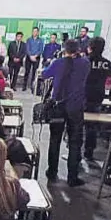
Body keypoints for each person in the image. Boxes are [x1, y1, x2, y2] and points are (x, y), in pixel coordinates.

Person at [42, 39, 91, 187]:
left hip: (58, 106)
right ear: (78, 50)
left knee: (55, 140)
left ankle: (52, 171)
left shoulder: (58, 63)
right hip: (76, 107)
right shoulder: (85, 63)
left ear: (64, 49)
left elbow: (45, 75)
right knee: (75, 142)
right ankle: (72, 177)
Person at [84, 37, 111, 160]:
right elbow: (109, 77)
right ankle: (89, 151)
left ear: (90, 47)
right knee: (93, 125)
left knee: (78, 124)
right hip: (99, 95)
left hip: (84, 94)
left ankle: (76, 152)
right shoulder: (107, 63)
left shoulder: (85, 61)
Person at [24, 27, 44, 91]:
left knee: (34, 73)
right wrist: (30, 56)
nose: (34, 32)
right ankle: (24, 86)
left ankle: (32, 86)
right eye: (33, 31)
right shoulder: (29, 40)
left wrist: (35, 56)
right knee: (27, 72)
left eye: (36, 31)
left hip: (36, 58)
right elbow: (27, 48)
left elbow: (41, 50)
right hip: (29, 57)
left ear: (38, 32)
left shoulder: (40, 40)